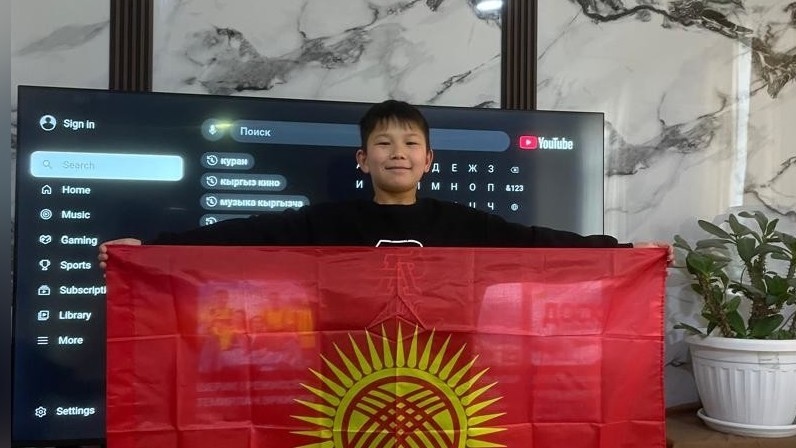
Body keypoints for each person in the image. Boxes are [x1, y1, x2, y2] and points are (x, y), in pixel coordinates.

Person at [99, 100, 671, 268]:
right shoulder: (325, 221)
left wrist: (623, 252)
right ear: (362, 159)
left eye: (410, 144)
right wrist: (147, 250)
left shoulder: (460, 223)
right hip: (348, 368)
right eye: (384, 143)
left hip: (439, 369)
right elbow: (243, 234)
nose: (398, 152)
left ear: (428, 161)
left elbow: (537, 244)